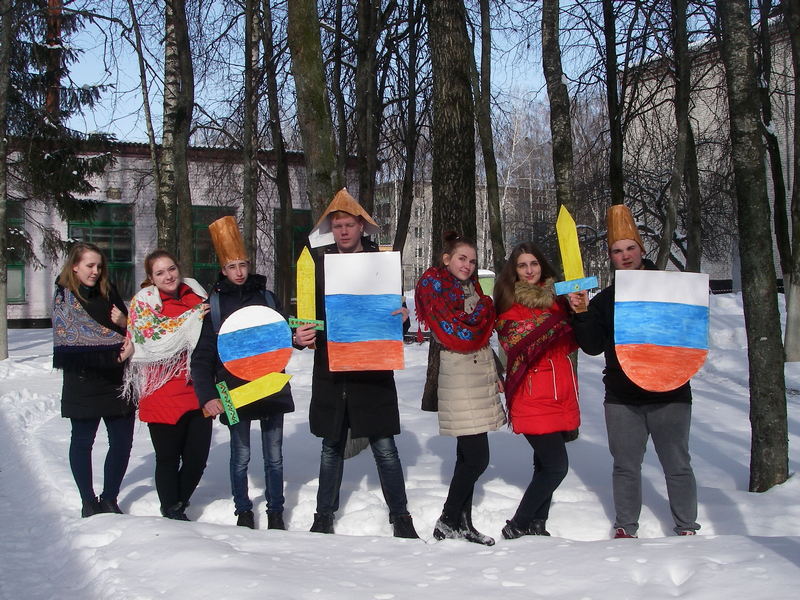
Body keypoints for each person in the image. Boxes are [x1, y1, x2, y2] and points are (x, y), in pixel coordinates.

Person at [567, 205, 700, 538]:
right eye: (617, 251)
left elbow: (689, 335)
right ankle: (626, 527)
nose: (625, 255)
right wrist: (581, 313)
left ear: (641, 250)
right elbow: (592, 346)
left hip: (670, 393)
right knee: (626, 466)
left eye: (630, 248)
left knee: (677, 465)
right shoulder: (605, 300)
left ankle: (687, 527)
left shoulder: (673, 290)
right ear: (611, 257)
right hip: (622, 398)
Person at [306, 188, 419, 539]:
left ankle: (401, 517)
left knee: (385, 446)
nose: (343, 231)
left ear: (360, 227)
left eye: (349, 225)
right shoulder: (320, 266)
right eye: (337, 225)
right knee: (331, 446)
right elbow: (311, 317)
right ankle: (323, 516)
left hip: (372, 371)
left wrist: (402, 319)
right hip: (332, 371)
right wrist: (303, 333)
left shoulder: (381, 265)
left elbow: (392, 315)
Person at [191, 217, 316, 530]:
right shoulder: (213, 306)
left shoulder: (267, 298)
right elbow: (202, 357)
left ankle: (276, 512)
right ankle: (243, 512)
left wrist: (297, 338)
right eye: (232, 266)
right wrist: (207, 396)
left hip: (271, 385)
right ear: (223, 270)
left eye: (243, 265)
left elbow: (283, 332)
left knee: (274, 456)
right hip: (231, 391)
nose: (239, 272)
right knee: (241, 455)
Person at [415, 232, 506, 546]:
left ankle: (462, 523)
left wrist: (496, 370)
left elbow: (480, 335)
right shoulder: (435, 287)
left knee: (467, 456)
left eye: (472, 261)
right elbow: (456, 334)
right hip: (459, 373)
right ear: (447, 259)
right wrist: (483, 310)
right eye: (461, 258)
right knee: (478, 458)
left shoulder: (471, 287)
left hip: (478, 371)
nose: (467, 265)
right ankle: (447, 518)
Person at [494, 242, 580, 539]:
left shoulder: (558, 301)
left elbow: (570, 343)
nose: (529, 270)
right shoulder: (509, 303)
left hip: (559, 390)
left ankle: (537, 523)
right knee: (557, 467)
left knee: (544, 464)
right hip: (531, 394)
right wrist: (558, 323)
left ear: (542, 266)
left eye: (534, 264)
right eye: (522, 265)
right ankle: (518, 523)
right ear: (514, 271)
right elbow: (513, 343)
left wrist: (577, 313)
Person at [124, 250, 211, 520]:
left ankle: (178, 503)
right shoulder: (144, 305)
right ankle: (171, 509)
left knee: (197, 459)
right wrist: (188, 321)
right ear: (151, 278)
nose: (168, 276)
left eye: (171, 269)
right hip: (161, 390)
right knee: (167, 458)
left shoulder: (198, 296)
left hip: (198, 389)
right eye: (160, 273)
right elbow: (144, 340)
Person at [52, 242, 135, 517]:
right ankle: (88, 501)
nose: (95, 271)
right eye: (90, 265)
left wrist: (124, 321)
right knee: (83, 441)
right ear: (75, 266)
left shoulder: (108, 291)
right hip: (83, 381)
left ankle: (110, 498)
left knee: (122, 442)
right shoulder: (64, 299)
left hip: (117, 382)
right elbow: (72, 347)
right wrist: (117, 357)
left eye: (99, 266)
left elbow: (131, 330)